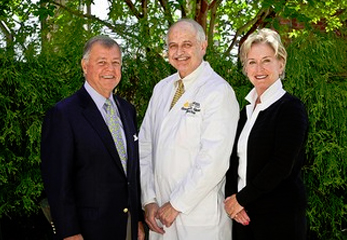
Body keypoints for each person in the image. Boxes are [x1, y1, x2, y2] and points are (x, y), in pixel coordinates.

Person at [139, 19, 239, 240]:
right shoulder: (162, 89)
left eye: (187, 44)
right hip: (159, 216)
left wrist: (176, 204)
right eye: (173, 45)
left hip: (197, 216)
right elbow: (145, 148)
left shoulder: (218, 91)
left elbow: (214, 160)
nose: (179, 52)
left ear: (203, 46)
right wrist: (148, 200)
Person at [41, 35, 145, 240]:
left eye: (116, 63)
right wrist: (69, 232)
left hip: (128, 226)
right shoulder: (64, 114)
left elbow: (131, 172)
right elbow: (57, 181)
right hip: (88, 231)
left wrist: (137, 220)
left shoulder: (127, 110)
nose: (110, 69)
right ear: (85, 65)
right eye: (102, 62)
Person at [224, 28, 308, 240]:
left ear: (281, 64)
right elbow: (233, 161)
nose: (259, 68)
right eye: (252, 62)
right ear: (245, 68)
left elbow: (281, 165)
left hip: (279, 218)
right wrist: (231, 200)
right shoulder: (246, 112)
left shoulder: (291, 108)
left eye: (266, 60)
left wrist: (240, 199)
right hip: (243, 217)